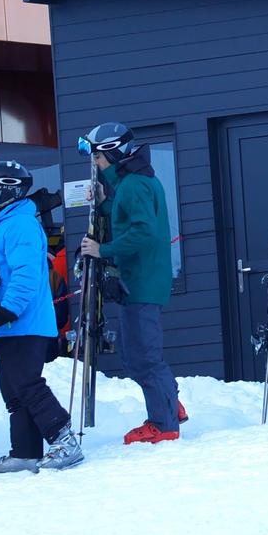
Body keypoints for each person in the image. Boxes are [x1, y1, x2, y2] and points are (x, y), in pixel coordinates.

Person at [0, 159, 83, 473]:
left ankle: (64, 440)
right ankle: (26, 451)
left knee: (27, 384)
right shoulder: (2, 225)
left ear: (5, 189)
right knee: (13, 391)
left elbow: (26, 275)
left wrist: (5, 311)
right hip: (8, 325)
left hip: (24, 322)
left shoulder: (22, 225)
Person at [78, 122, 184, 445]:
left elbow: (143, 232)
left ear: (112, 154)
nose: (95, 163)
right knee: (130, 351)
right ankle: (169, 403)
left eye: (97, 157)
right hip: (139, 280)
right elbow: (126, 215)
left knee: (143, 355)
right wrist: (103, 201)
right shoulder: (132, 182)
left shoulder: (134, 184)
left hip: (142, 281)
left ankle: (164, 423)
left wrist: (102, 249)